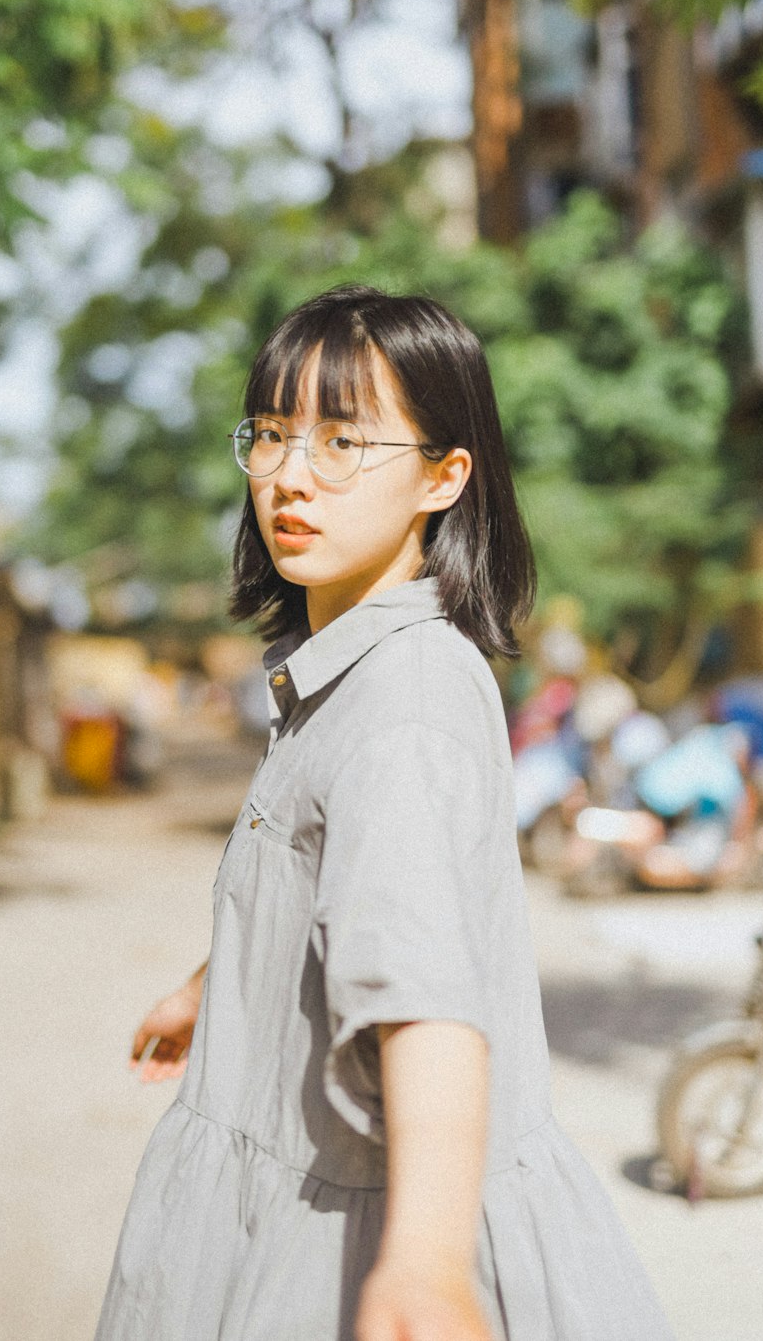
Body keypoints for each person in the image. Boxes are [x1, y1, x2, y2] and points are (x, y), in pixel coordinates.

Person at [94, 286, 674, 1341]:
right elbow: (326, 889)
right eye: (270, 433)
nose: (290, 473)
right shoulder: (341, 674)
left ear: (443, 476)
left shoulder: (402, 700)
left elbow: (426, 997)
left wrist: (423, 1259)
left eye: (342, 438)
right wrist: (216, 982)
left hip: (340, 1241)